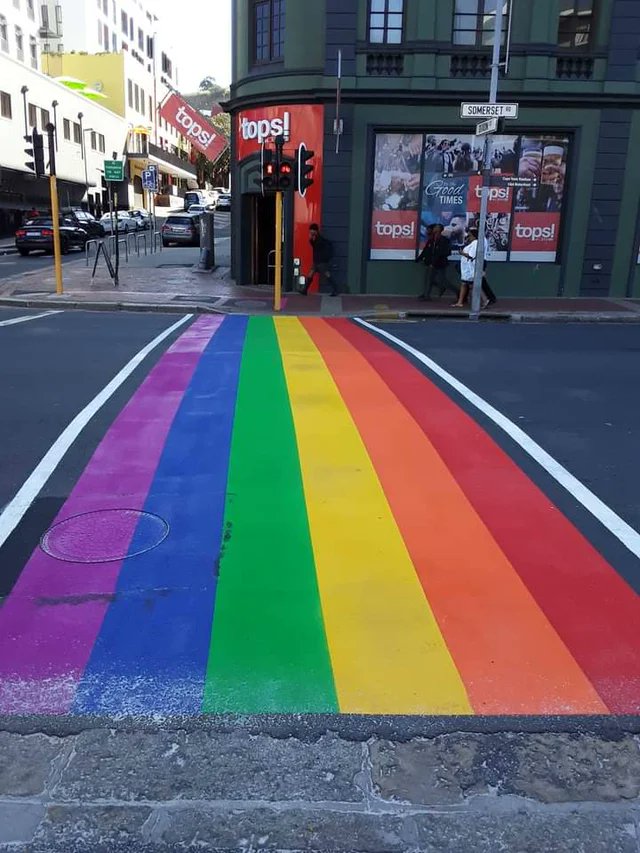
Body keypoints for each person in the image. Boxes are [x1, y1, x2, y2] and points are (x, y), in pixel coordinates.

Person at [419, 224, 457, 300]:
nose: (434, 229)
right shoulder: (432, 239)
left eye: (436, 227)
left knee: (443, 281)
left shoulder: (444, 240)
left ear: (440, 230)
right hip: (431, 262)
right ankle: (426, 295)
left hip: (440, 263)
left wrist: (433, 262)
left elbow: (442, 252)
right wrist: (419, 258)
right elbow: (426, 250)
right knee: (429, 279)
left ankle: (458, 292)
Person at [301, 224, 339, 297]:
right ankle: (305, 290)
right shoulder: (315, 238)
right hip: (316, 262)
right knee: (310, 274)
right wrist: (311, 239)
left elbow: (317, 246)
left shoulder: (319, 239)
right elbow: (313, 245)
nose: (310, 232)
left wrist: (312, 239)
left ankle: (335, 289)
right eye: (310, 231)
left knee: (327, 274)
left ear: (315, 231)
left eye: (312, 231)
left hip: (321, 262)